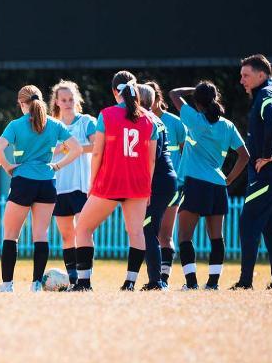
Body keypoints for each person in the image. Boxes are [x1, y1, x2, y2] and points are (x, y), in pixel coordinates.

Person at [71, 72, 157, 291]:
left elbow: (97, 153)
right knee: (136, 232)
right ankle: (129, 283)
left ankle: (83, 283)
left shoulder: (107, 114)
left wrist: (92, 183)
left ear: (114, 91)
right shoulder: (150, 119)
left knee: (83, 228)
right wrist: (147, 189)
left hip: (110, 181)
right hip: (137, 183)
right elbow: (151, 160)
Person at [0, 86, 82, 292]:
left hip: (23, 181)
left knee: (11, 234)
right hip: (47, 183)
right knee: (41, 234)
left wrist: (7, 167)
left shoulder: (16, 125)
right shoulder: (55, 123)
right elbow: (76, 148)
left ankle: (7, 285)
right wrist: (57, 166)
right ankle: (35, 284)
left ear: (22, 103)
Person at [168, 81, 249, 290]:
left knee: (184, 236)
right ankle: (212, 284)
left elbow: (174, 93)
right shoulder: (227, 125)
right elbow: (244, 156)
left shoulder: (194, 119)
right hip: (218, 186)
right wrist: (229, 178)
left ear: (197, 101)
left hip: (195, 185)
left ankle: (192, 283)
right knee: (216, 238)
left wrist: (191, 89)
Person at [234, 54, 272, 290]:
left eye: (246, 75)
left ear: (262, 75)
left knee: (248, 222)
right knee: (271, 225)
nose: (242, 80)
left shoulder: (266, 95)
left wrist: (269, 154)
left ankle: (245, 282)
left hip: (267, 173)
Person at [120, 83, 176, 290]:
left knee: (148, 231)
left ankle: (156, 281)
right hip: (165, 179)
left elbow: (151, 159)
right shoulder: (155, 119)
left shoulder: (146, 121)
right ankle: (153, 279)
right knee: (148, 229)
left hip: (157, 181)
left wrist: (146, 187)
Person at [48, 81, 96, 286]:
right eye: (63, 99)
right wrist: (55, 149)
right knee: (67, 235)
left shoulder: (86, 122)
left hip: (82, 186)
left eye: (71, 99)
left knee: (84, 231)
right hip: (59, 186)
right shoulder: (51, 125)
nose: (67, 103)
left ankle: (86, 279)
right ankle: (73, 280)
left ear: (77, 100)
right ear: (57, 102)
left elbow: (96, 146)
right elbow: (46, 151)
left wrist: (70, 148)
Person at [147, 81, 186, 285]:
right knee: (147, 231)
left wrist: (182, 178)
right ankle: (148, 277)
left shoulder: (175, 122)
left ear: (157, 98)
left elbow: (185, 152)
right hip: (147, 187)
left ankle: (163, 278)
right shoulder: (142, 121)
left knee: (165, 234)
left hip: (171, 186)